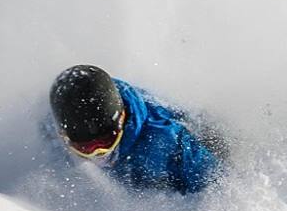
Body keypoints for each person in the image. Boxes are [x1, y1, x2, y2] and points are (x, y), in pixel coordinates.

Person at [48, 64, 225, 195]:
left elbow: (216, 185)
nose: (99, 153)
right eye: (85, 148)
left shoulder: (166, 141)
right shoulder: (61, 124)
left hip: (206, 141)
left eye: (107, 142)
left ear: (122, 119)